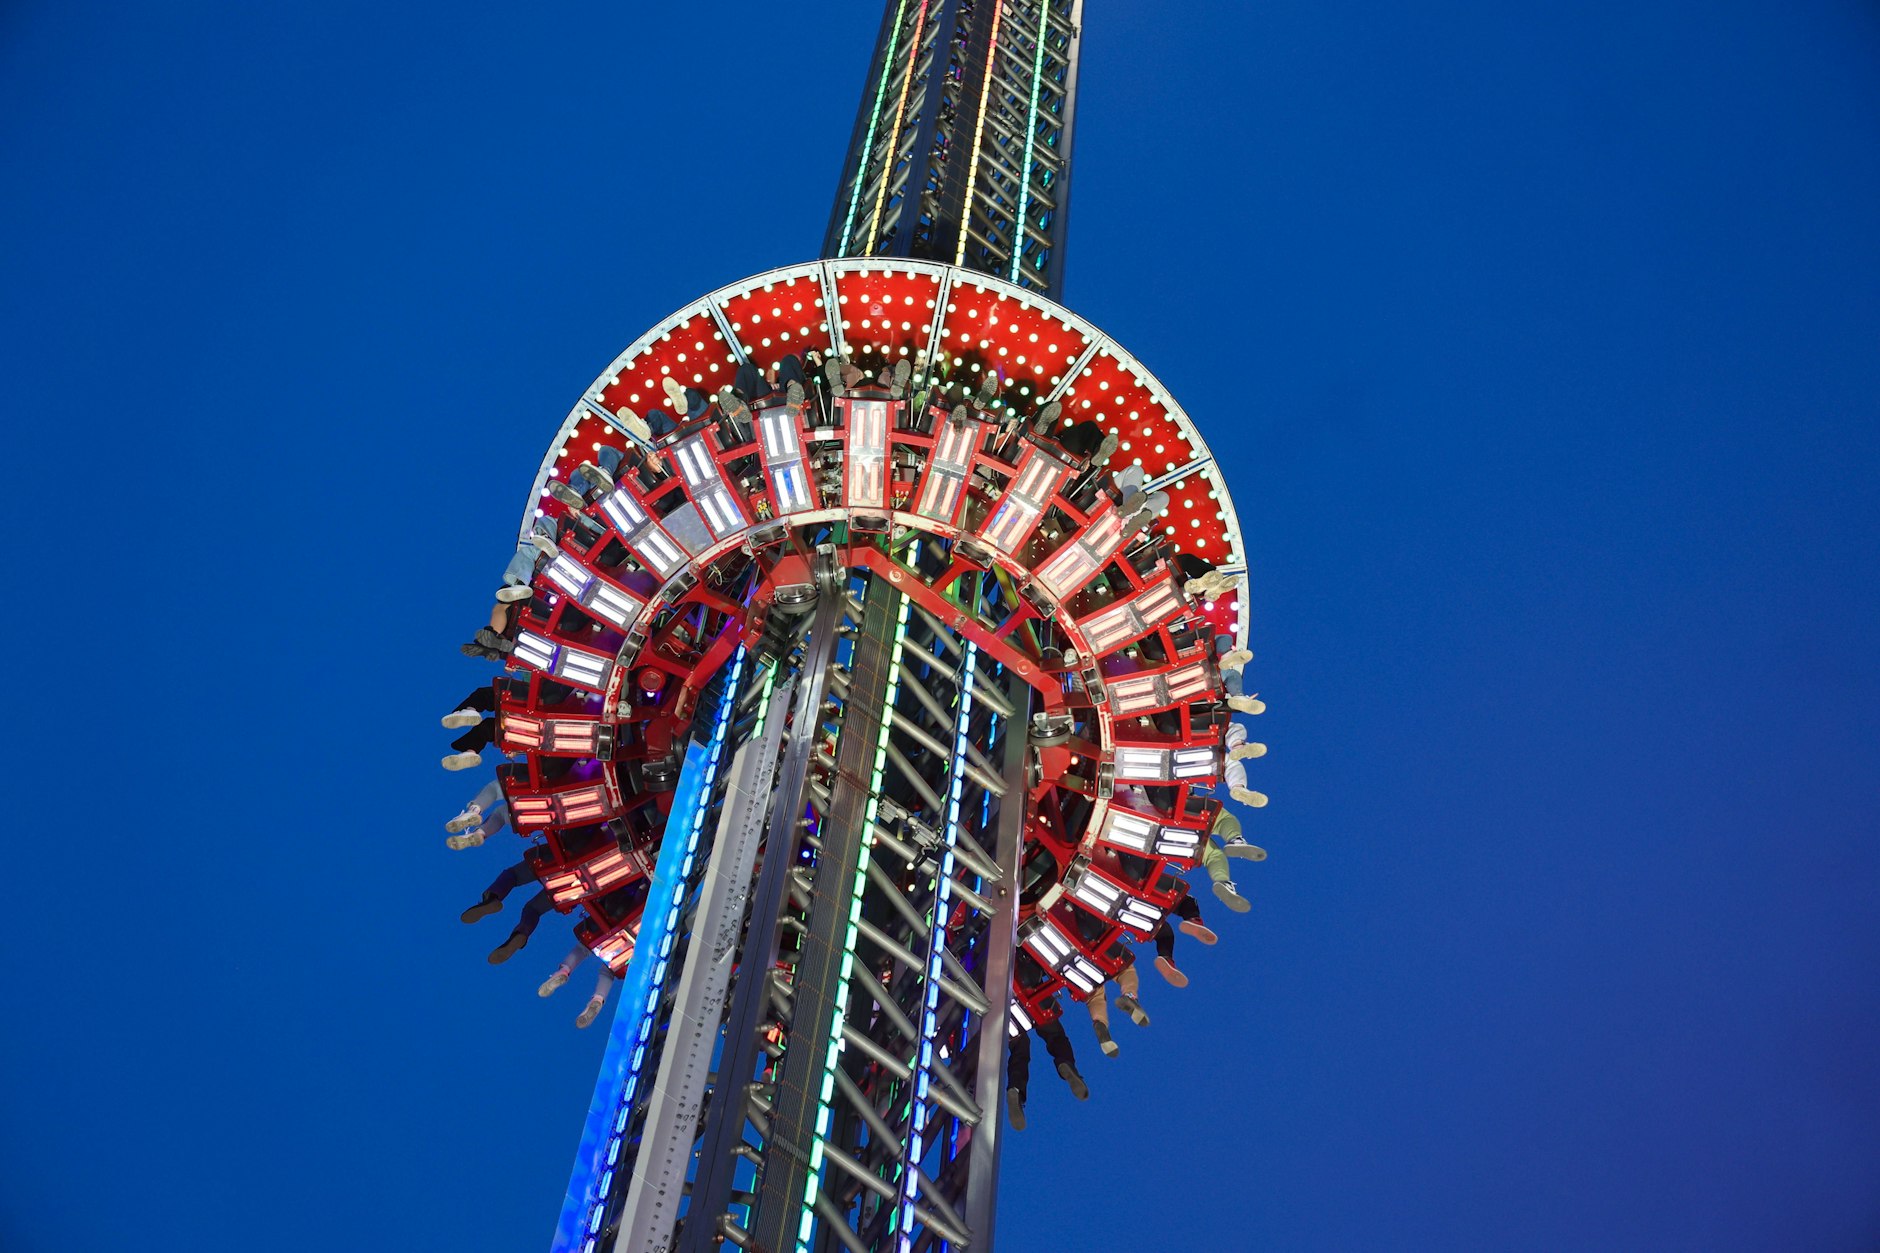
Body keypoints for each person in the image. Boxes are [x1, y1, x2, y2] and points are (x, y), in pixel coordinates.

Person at [460, 862, 554, 964]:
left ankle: (492, 898)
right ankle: (519, 935)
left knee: (513, 876)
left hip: (551, 858)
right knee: (532, 908)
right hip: (570, 885)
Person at [1006, 1015, 1086, 1130]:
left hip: (1006, 1013)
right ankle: (1065, 1063)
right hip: (1032, 1005)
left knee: (1020, 1047)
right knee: (1055, 1034)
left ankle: (1016, 1088)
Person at [538, 943, 620, 1028]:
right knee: (609, 969)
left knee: (584, 947)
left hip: (610, 934)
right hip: (630, 944)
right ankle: (598, 998)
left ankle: (564, 970)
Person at [1085, 961, 1149, 1057]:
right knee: (1125, 970)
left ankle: (1100, 1023)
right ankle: (1129, 996)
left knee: (1094, 995)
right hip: (1093, 950)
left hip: (1066, 961)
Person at [1152, 895, 1217, 987]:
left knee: (1165, 931)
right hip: (1136, 894)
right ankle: (1193, 919)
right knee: (1186, 900)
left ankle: (1166, 959)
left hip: (1145, 905)